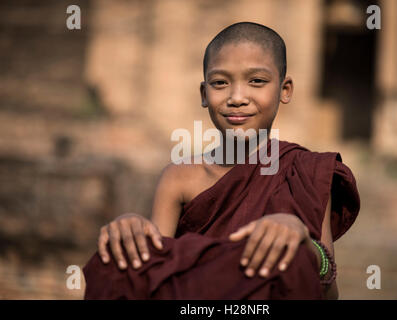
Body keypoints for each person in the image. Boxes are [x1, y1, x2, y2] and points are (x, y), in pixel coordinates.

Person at [83, 21, 360, 300]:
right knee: (113, 263)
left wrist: (304, 243)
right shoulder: (180, 177)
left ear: (284, 89)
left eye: (257, 81)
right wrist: (131, 228)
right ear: (204, 94)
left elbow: (328, 292)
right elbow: (156, 272)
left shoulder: (306, 171)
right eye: (220, 83)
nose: (237, 98)